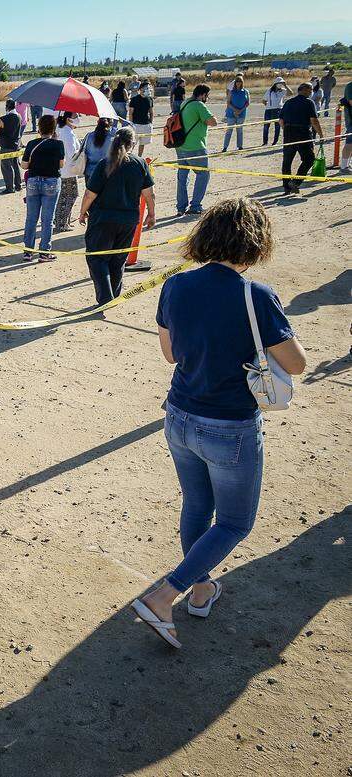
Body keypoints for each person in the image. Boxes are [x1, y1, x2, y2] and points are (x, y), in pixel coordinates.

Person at [135, 198, 307, 649]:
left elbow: (170, 354)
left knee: (197, 505)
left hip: (180, 414)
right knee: (233, 522)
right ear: (255, 242)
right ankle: (165, 595)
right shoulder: (257, 296)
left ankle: (202, 587)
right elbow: (297, 362)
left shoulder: (175, 286)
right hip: (229, 423)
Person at [78, 127, 156, 305]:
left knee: (97, 257)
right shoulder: (140, 163)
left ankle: (106, 297)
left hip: (102, 219)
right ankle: (113, 294)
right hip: (128, 220)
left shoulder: (104, 164)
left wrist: (82, 212)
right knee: (118, 258)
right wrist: (151, 214)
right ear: (132, 143)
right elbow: (149, 193)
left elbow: (90, 194)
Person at [19, 114, 65, 262]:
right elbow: (61, 164)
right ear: (53, 129)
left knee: (31, 218)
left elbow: (25, 165)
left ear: (39, 128)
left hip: (33, 181)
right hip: (51, 181)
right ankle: (44, 251)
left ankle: (28, 251)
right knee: (47, 219)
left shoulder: (32, 144)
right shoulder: (59, 144)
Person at [175, 84, 216, 216]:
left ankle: (181, 207)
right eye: (207, 96)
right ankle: (195, 205)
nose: (207, 98)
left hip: (181, 147)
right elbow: (212, 121)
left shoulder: (185, 103)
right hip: (196, 147)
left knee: (183, 177)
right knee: (203, 174)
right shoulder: (199, 105)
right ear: (203, 94)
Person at [279, 82, 324, 196]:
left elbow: (281, 121)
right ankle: (296, 182)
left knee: (287, 161)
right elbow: (314, 120)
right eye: (310, 90)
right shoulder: (309, 102)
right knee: (309, 159)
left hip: (288, 132)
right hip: (303, 132)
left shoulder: (288, 102)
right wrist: (321, 134)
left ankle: (286, 187)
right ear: (305, 90)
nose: (311, 92)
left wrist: (287, 131)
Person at [53, 113, 81, 232]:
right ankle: (61, 223)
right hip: (68, 170)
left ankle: (63, 221)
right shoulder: (67, 133)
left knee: (64, 196)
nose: (78, 118)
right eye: (76, 116)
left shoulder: (62, 130)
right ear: (69, 119)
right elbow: (72, 154)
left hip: (63, 169)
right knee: (69, 196)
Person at [0, 99, 23, 193]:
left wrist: (2, 130)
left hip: (6, 145)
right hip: (16, 144)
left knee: (6, 167)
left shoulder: (3, 118)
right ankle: (18, 185)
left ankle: (9, 188)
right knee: (15, 165)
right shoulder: (19, 116)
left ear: (6, 107)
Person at [221, 76, 250, 151]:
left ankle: (240, 146)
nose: (238, 83)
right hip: (231, 113)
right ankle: (225, 147)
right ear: (235, 83)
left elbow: (247, 103)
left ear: (242, 82)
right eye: (237, 81)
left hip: (242, 113)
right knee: (229, 131)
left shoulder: (246, 91)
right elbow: (228, 102)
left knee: (239, 130)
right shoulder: (231, 91)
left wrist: (240, 110)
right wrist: (235, 110)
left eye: (240, 81)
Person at [129, 83, 154, 156]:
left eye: (148, 88)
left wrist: (151, 122)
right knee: (132, 143)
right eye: (146, 88)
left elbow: (151, 112)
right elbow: (130, 113)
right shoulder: (134, 99)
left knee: (142, 143)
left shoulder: (149, 99)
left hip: (146, 125)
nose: (148, 90)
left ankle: (139, 157)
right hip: (136, 125)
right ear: (140, 89)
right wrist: (131, 124)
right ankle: (129, 156)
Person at [261, 77, 287, 146]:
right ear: (275, 83)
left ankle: (275, 142)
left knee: (277, 126)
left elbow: (291, 93)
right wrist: (268, 106)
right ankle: (265, 142)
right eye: (279, 83)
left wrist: (285, 85)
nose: (280, 84)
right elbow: (263, 100)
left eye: (281, 83)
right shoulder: (269, 91)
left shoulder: (283, 90)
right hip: (269, 110)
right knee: (266, 126)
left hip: (278, 110)